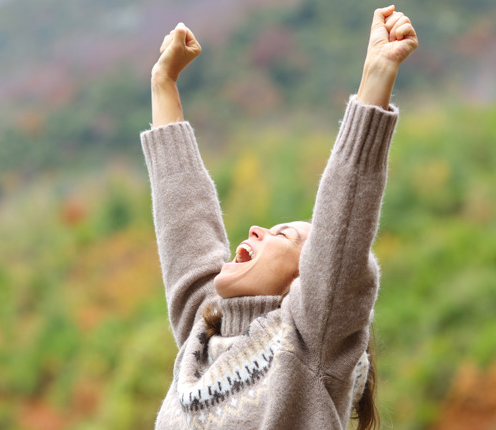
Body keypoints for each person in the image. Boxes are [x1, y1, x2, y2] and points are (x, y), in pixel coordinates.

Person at [140, 6, 418, 430]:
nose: (257, 230)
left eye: (283, 235)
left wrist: (377, 73)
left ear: (306, 281)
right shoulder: (201, 335)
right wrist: (164, 84)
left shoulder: (307, 347)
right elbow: (184, 217)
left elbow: (341, 228)